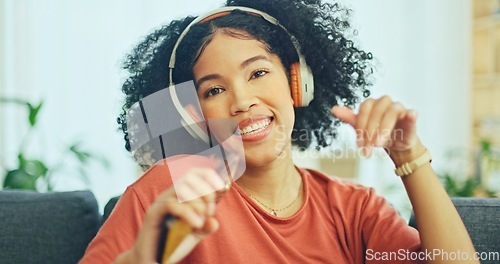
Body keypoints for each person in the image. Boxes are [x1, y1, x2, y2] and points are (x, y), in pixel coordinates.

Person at [81, 0, 478, 263]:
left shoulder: (354, 208)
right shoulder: (174, 188)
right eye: (215, 90)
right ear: (194, 114)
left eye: (257, 72)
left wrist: (410, 159)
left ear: (297, 82)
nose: (241, 101)